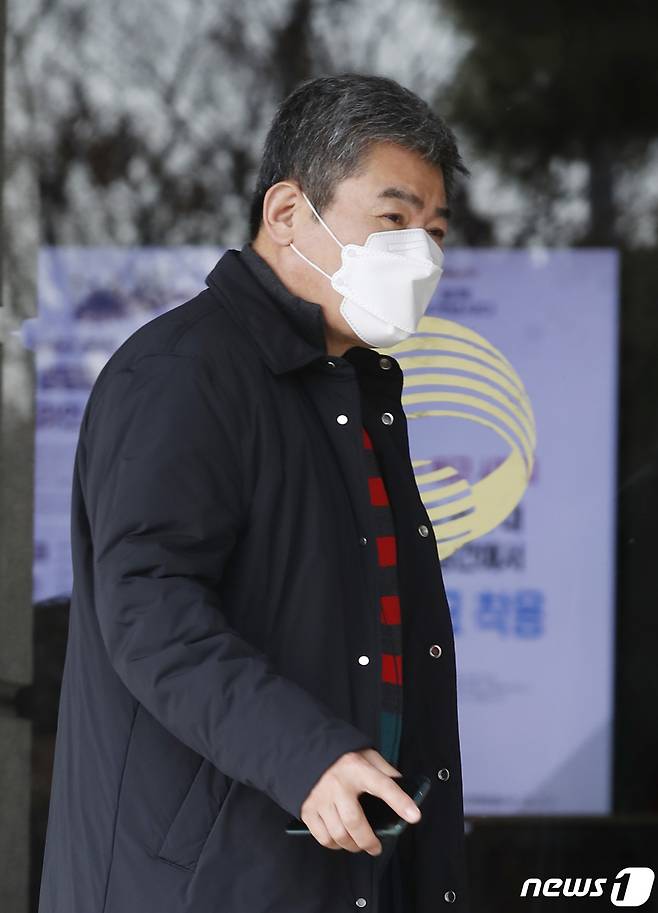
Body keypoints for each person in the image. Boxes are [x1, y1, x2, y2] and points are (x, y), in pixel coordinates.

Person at [37, 72, 471, 913]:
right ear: (287, 213)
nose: (421, 253)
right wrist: (308, 755)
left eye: (436, 230)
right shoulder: (184, 372)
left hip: (334, 867)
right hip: (197, 882)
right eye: (393, 220)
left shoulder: (353, 392)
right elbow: (149, 608)